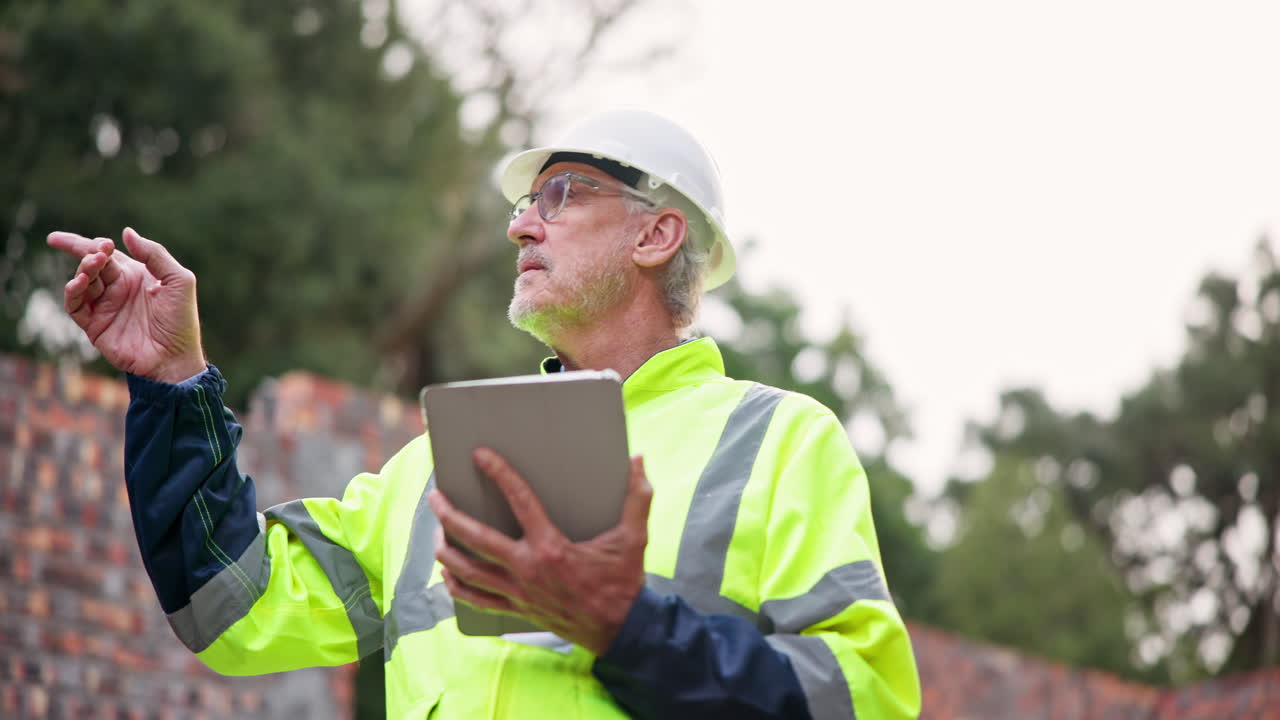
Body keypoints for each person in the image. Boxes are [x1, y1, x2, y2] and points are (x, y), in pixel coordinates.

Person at [49, 109, 921, 719]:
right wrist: (174, 383)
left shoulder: (779, 443)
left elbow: (863, 702)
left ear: (656, 236)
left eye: (562, 195)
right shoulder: (433, 467)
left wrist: (627, 629)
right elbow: (228, 605)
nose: (521, 228)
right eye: (521, 205)